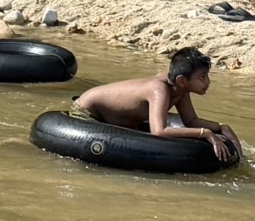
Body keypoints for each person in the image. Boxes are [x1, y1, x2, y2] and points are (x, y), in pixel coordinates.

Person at [73, 46, 242, 162]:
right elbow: (159, 131)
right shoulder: (159, 89)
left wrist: (220, 127)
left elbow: (190, 121)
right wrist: (205, 133)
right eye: (202, 77)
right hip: (87, 113)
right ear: (182, 80)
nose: (208, 82)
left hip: (109, 117)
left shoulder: (179, 89)